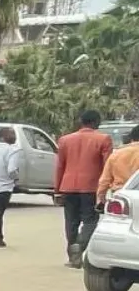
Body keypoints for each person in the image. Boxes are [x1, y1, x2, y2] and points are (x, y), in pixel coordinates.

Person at [54, 109, 113, 266]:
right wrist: (106, 190)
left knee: (71, 221)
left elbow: (60, 166)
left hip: (67, 186)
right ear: (96, 122)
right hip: (91, 187)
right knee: (90, 221)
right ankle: (79, 246)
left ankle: (73, 257)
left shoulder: (65, 140)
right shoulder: (104, 139)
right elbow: (108, 166)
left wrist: (57, 190)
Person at [96, 124, 139, 205]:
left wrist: (101, 197)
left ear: (131, 138)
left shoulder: (116, 154)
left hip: (120, 197)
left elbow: (105, 180)